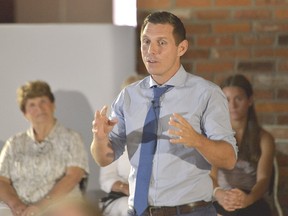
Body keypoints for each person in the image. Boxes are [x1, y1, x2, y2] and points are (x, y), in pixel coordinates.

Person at [91, 11, 237, 216]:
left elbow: (229, 159)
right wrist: (99, 138)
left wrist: (196, 140)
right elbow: (104, 158)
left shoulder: (206, 94)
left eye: (161, 43)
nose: (151, 50)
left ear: (181, 48)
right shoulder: (128, 96)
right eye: (146, 41)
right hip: (138, 212)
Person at [0, 80, 89, 216]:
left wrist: (39, 207)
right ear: (25, 113)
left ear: (53, 105)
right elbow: (2, 181)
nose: (39, 109)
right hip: (19, 209)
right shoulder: (14, 143)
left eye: (43, 101)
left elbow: (73, 177)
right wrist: (16, 205)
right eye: (32, 105)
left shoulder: (72, 138)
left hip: (60, 207)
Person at [211, 74, 275, 216]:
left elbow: (264, 179)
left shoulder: (264, 138)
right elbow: (211, 176)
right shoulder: (214, 136)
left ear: (250, 100)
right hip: (222, 199)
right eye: (227, 100)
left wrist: (248, 199)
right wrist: (220, 194)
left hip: (252, 199)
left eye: (238, 99)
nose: (232, 105)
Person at [99, 75, 145, 216]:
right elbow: (106, 179)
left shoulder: (161, 131)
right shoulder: (115, 133)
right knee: (130, 208)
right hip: (121, 198)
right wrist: (126, 188)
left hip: (155, 199)